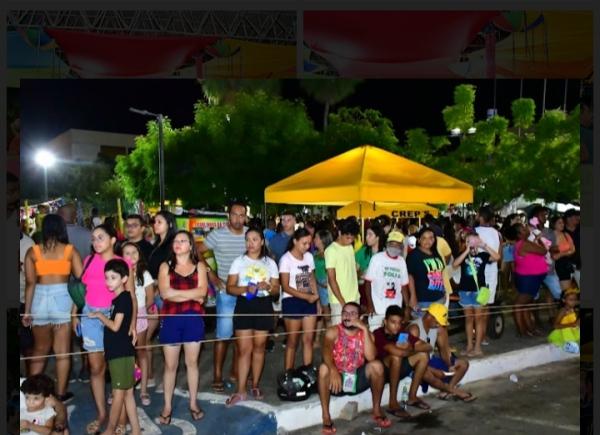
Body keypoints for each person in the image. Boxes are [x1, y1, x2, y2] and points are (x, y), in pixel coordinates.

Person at [76, 224, 136, 434]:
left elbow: (131, 297)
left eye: (100, 237)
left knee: (117, 367)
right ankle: (102, 413)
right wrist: (76, 313)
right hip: (91, 317)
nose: (96, 242)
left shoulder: (123, 263)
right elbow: (84, 290)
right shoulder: (89, 260)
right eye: (93, 238)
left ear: (112, 240)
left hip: (114, 316)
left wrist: (133, 324)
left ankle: (120, 418)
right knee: (95, 368)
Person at [22, 214, 83, 403]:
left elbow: (30, 283)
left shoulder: (33, 251)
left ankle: (30, 394)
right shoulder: (69, 251)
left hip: (39, 298)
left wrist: (28, 311)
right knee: (62, 352)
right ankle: (61, 393)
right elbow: (81, 279)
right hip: (62, 298)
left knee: (40, 349)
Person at [373, 305, 474, 417]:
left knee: (423, 355)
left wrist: (410, 348)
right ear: (385, 321)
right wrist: (409, 349)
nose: (397, 326)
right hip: (382, 372)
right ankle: (393, 403)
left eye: (399, 322)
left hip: (401, 366)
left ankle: (412, 397)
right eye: (393, 322)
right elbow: (399, 352)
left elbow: (427, 347)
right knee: (396, 357)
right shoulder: (379, 334)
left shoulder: (401, 333)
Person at [197, 200, 248, 393]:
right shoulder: (217, 235)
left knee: (241, 335)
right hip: (225, 291)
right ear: (229, 215)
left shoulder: (249, 235)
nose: (238, 218)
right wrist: (211, 274)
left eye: (241, 215)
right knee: (223, 335)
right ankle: (217, 375)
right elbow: (197, 251)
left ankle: (236, 371)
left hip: (246, 294)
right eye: (234, 214)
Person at [157, 230, 207, 424]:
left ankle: (193, 403)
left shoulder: (199, 266)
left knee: (192, 363)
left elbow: (203, 292)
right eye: (176, 241)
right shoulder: (165, 266)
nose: (178, 243)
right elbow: (165, 294)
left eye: (183, 240)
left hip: (193, 319)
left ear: (191, 245)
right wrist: (193, 295)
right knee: (170, 366)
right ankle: (167, 406)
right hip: (171, 319)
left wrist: (176, 292)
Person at [318, 302, 392, 433]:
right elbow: (326, 350)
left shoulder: (368, 334)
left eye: (352, 314)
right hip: (337, 381)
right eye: (345, 313)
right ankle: (326, 416)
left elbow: (371, 357)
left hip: (356, 380)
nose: (348, 316)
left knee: (377, 366)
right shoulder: (333, 331)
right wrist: (333, 370)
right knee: (324, 368)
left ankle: (376, 410)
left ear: (360, 317)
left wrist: (364, 330)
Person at [225, 227, 280, 406]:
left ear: (262, 242)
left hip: (263, 306)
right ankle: (240, 389)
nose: (250, 243)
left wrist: (268, 287)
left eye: (255, 239)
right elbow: (230, 288)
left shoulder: (270, 263)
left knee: (259, 347)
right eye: (248, 240)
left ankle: (255, 384)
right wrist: (245, 289)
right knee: (244, 350)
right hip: (244, 305)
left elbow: (277, 289)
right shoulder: (238, 262)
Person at [87, 259, 141, 435]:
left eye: (113, 277)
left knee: (118, 393)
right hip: (119, 352)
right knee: (127, 394)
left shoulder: (123, 299)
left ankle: (110, 430)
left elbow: (116, 326)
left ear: (124, 278)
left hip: (121, 353)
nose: (108, 281)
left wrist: (99, 316)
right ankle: (136, 430)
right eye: (106, 277)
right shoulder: (118, 299)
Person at [407, 303, 472, 398]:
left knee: (463, 364)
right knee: (426, 374)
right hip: (415, 364)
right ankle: (453, 391)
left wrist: (450, 365)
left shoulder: (437, 328)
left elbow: (443, 350)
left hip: (430, 360)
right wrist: (434, 370)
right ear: (430, 316)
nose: (439, 325)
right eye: (438, 322)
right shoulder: (414, 329)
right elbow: (408, 357)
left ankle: (448, 390)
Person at [452, 232, 500, 357]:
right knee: (468, 319)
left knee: (478, 319)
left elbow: (497, 257)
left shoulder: (483, 255)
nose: (472, 245)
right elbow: (455, 264)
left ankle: (477, 347)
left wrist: (484, 245)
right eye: (469, 241)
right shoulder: (463, 256)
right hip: (465, 291)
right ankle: (469, 346)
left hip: (479, 292)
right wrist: (466, 250)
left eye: (474, 242)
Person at [279, 228, 319, 371]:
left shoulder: (309, 257)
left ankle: (308, 371)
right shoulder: (285, 259)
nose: (307, 246)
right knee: (292, 341)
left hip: (309, 301)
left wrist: (316, 298)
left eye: (309, 243)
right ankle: (288, 373)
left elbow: (311, 277)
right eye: (304, 243)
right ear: (295, 241)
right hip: (292, 301)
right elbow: (285, 286)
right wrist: (307, 297)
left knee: (308, 339)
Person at [120, 242, 154, 406]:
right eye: (127, 253)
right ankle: (122, 388)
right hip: (121, 316)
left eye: (135, 252)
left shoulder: (144, 274)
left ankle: (144, 390)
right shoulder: (117, 273)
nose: (132, 256)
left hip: (140, 314)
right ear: (121, 255)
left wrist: (141, 312)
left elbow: (150, 298)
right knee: (124, 354)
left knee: (141, 352)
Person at [145, 210, 177, 387]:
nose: (155, 224)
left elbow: (174, 271)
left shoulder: (173, 244)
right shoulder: (157, 243)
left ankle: (165, 376)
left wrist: (158, 285)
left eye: (159, 221)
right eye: (154, 222)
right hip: (154, 294)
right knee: (145, 336)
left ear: (169, 224)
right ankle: (148, 374)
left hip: (164, 295)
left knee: (164, 337)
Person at [364, 231, 410, 331]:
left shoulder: (401, 261)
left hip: (395, 309)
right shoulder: (377, 259)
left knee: (392, 336)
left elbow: (404, 286)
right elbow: (367, 283)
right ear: (387, 244)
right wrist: (370, 305)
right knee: (376, 336)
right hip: (377, 308)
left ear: (401, 247)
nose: (394, 247)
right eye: (392, 244)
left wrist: (407, 306)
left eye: (397, 245)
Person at [511, 222, 549, 337]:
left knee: (526, 304)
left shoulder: (525, 243)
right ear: (519, 234)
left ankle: (529, 328)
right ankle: (522, 330)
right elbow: (544, 251)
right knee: (519, 304)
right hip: (529, 278)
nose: (526, 229)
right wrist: (540, 239)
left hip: (530, 277)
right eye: (523, 229)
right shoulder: (524, 244)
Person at [325, 218, 361, 325]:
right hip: (338, 301)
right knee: (339, 334)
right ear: (340, 233)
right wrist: (342, 302)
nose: (350, 240)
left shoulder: (350, 247)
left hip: (354, 297)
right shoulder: (331, 250)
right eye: (348, 237)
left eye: (353, 238)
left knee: (354, 333)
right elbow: (332, 279)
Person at [475, 206, 502, 344]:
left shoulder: (474, 232)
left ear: (480, 216)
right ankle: (482, 336)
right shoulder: (497, 233)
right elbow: (499, 254)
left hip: (479, 273)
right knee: (485, 306)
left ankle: (478, 336)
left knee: (478, 307)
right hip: (492, 273)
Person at [406, 227, 446, 314]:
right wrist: (413, 296)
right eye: (424, 238)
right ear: (419, 240)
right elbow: (410, 276)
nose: (428, 241)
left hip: (439, 297)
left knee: (438, 325)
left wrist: (444, 290)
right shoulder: (414, 255)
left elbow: (440, 273)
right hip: (423, 300)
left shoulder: (435, 253)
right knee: (423, 325)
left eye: (431, 238)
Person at [355, 224, 386, 310]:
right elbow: (354, 271)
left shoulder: (385, 253)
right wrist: (362, 273)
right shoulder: (362, 252)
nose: (367, 237)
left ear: (378, 237)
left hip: (381, 291)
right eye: (366, 234)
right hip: (364, 290)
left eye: (370, 234)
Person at [20, 230, 35, 370]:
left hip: (23, 301)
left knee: (27, 345)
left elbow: (33, 280)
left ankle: (30, 381)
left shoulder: (29, 244)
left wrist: (28, 309)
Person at [314, 229, 334, 337]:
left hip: (323, 285)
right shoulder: (315, 254)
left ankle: (330, 337)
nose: (314, 240)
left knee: (326, 314)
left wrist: (323, 283)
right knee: (320, 313)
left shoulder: (328, 254)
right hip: (317, 285)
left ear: (322, 240)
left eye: (316, 237)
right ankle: (318, 339)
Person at [549, 215, 576, 291]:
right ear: (553, 224)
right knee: (553, 291)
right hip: (552, 265)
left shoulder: (566, 234)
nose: (562, 224)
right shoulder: (550, 235)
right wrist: (566, 252)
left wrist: (561, 254)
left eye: (563, 222)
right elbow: (549, 251)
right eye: (559, 223)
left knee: (566, 289)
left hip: (564, 264)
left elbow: (573, 249)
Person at [563, 209, 580, 288]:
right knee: (565, 290)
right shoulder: (562, 232)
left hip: (580, 265)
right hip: (566, 265)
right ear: (568, 218)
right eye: (576, 216)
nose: (578, 218)